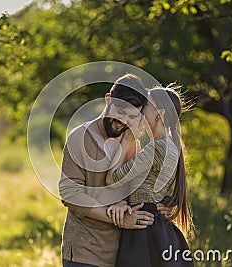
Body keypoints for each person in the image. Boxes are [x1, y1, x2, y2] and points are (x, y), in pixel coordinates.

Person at [59, 74, 173, 267]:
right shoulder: (80, 137)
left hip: (121, 253)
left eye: (132, 117)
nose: (124, 122)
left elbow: (131, 187)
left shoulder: (130, 142)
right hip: (83, 252)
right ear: (108, 100)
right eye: (121, 112)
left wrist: (164, 204)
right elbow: (70, 194)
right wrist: (118, 219)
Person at [105, 86, 194, 266]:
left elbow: (112, 179)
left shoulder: (157, 148)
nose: (140, 111)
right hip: (154, 226)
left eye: (146, 105)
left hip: (143, 230)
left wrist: (126, 141)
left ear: (158, 113)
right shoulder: (170, 145)